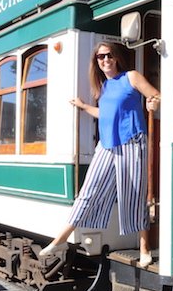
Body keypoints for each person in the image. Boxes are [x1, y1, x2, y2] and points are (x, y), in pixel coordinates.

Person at [40, 41, 160, 268]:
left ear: (116, 58)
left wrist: (152, 103)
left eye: (108, 55)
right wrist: (84, 107)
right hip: (106, 145)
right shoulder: (104, 87)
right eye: (100, 57)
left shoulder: (131, 77)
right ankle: (61, 239)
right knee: (88, 192)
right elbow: (105, 114)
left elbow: (156, 95)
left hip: (132, 143)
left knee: (134, 194)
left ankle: (145, 248)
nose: (105, 60)